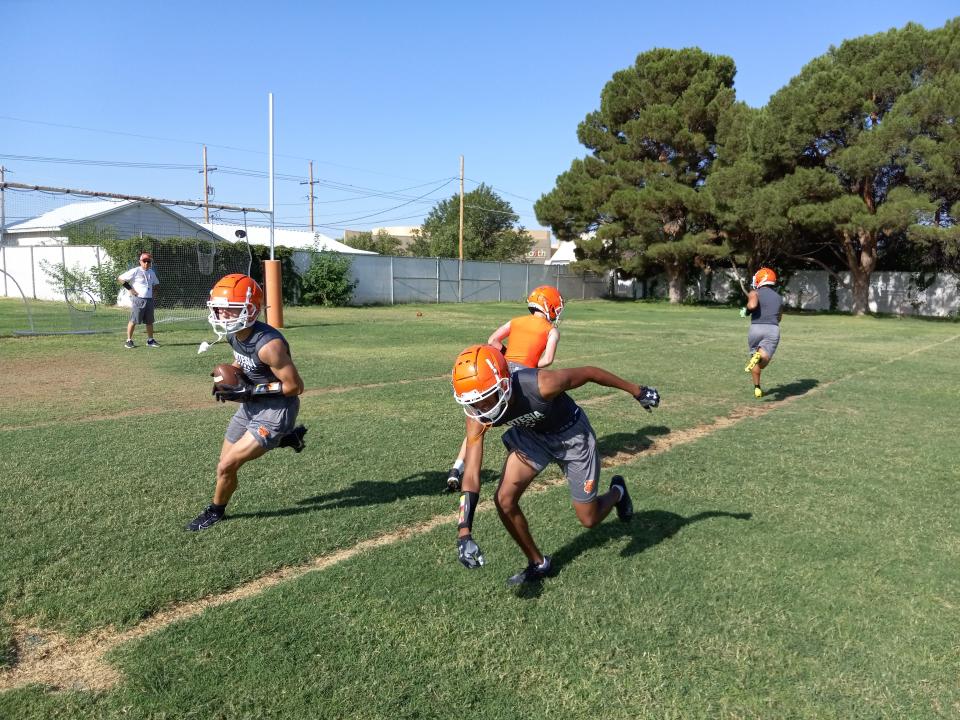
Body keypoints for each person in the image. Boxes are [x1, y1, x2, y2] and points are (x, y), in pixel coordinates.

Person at [450, 344, 661, 585]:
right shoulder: (476, 412)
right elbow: (472, 473)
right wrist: (464, 532)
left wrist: (638, 391)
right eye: (473, 402)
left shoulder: (541, 383)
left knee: (588, 519)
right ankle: (539, 563)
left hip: (571, 436)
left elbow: (591, 372)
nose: (481, 409)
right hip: (532, 436)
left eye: (485, 399)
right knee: (504, 500)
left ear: (505, 384)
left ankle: (618, 492)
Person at [186, 273, 308, 531]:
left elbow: (295, 387)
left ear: (251, 309)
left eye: (231, 310)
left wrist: (251, 391)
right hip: (250, 406)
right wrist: (228, 380)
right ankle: (287, 439)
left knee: (227, 464)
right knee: (224, 467)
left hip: (276, 410)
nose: (222, 315)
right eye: (219, 309)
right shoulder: (233, 334)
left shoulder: (269, 345)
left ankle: (215, 512)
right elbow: (240, 362)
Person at [445, 286, 564, 493]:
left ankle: (457, 468)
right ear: (550, 306)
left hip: (500, 372)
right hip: (521, 378)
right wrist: (530, 366)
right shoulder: (551, 330)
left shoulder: (516, 321)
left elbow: (493, 340)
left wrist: (507, 358)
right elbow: (548, 359)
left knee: (480, 422)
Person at [742, 267, 783, 398]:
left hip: (755, 328)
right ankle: (759, 357)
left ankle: (757, 388)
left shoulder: (754, 292)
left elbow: (752, 305)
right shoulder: (778, 297)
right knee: (763, 362)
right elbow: (779, 318)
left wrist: (746, 311)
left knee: (755, 355)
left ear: (761, 280)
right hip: (772, 329)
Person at [118, 252, 161, 348]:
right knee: (134, 320)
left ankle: (150, 340)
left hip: (149, 300)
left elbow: (157, 284)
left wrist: (155, 293)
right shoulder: (136, 271)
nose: (146, 263)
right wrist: (130, 289)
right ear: (140, 262)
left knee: (149, 321)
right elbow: (121, 278)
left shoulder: (151, 272)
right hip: (138, 300)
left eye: (148, 261)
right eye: (144, 261)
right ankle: (129, 340)